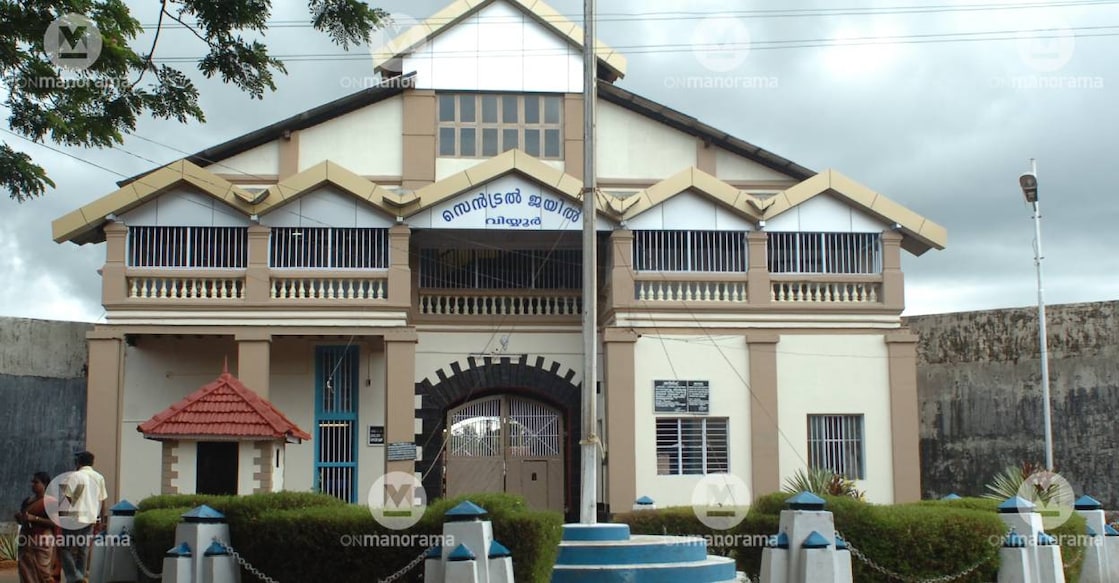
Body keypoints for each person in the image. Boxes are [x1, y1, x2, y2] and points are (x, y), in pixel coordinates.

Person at [56, 451, 107, 583]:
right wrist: (101, 520)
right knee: (83, 549)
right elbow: (102, 501)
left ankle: (75, 577)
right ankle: (80, 576)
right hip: (90, 518)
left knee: (65, 548)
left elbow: (66, 498)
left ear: (78, 462)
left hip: (73, 518)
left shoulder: (73, 476)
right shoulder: (99, 477)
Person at [14, 471, 60, 583]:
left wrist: (35, 519)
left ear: (44, 485)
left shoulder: (50, 502)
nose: (32, 484)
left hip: (42, 542)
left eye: (36, 482)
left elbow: (55, 522)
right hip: (26, 541)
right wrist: (19, 518)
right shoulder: (27, 501)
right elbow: (24, 520)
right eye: (32, 482)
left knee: (43, 575)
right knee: (26, 573)